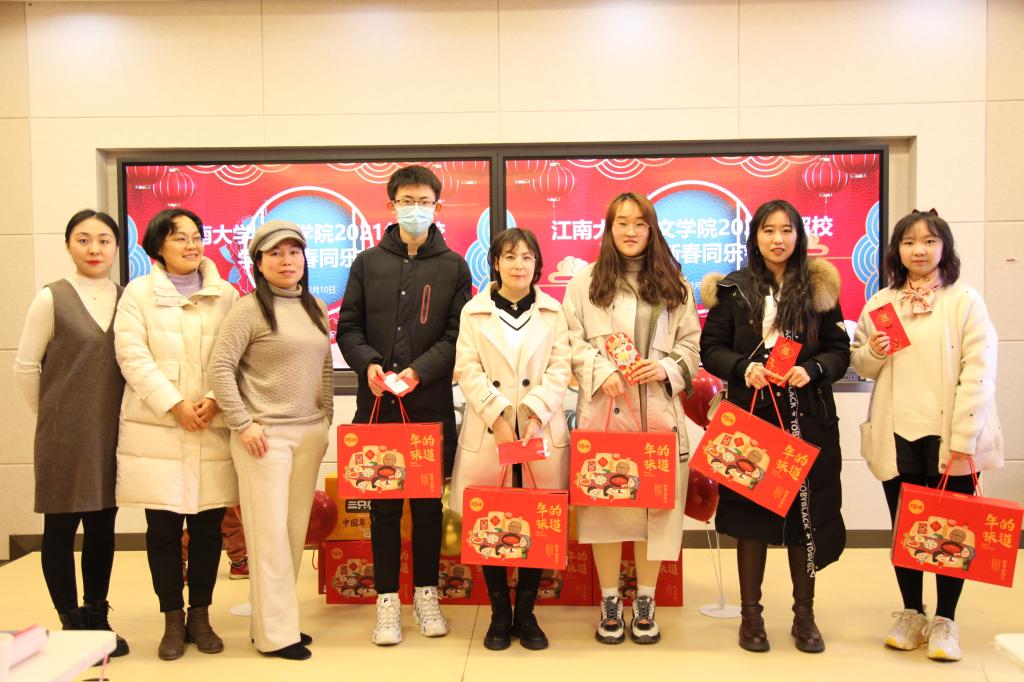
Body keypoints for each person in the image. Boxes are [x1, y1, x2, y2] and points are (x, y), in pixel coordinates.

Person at [851, 209, 1002, 662]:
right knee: (908, 528)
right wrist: (872, 352)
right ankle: (911, 613)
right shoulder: (881, 303)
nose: (919, 250)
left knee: (952, 531)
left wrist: (964, 435)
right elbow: (862, 365)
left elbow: (980, 370)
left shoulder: (965, 301)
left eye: (930, 241)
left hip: (950, 436)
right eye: (909, 242)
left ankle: (945, 619)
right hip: (897, 433)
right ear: (896, 250)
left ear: (944, 248)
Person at [700, 198, 850, 654]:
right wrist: (743, 367)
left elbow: (839, 350)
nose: (778, 239)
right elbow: (711, 348)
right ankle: (751, 617)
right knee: (752, 521)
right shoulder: (733, 289)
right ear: (755, 237)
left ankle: (804, 615)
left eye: (786, 230)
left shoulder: (818, 288)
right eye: (768, 230)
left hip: (808, 421)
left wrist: (814, 369)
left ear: (798, 236)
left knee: (807, 519)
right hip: (751, 420)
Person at [338, 165, 472, 646]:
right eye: (407, 201)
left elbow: (458, 334)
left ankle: (427, 595)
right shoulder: (367, 262)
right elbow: (348, 327)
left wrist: (418, 371)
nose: (416, 209)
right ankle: (387, 601)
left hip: (428, 405)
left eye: (424, 201)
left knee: (429, 508)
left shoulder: (454, 266)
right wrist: (369, 365)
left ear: (438, 206)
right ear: (391, 205)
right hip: (378, 407)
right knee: (383, 510)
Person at [562, 192, 700, 645]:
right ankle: (609, 601)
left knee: (654, 510)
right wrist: (600, 370)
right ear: (609, 229)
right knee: (605, 508)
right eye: (621, 222)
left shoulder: (675, 283)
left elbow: (691, 346)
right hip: (607, 413)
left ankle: (644, 599)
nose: (630, 231)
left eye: (640, 223)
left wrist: (666, 368)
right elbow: (570, 342)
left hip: (658, 415)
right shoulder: (585, 282)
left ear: (652, 229)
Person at [114, 208, 238, 660]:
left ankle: (200, 616)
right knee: (163, 531)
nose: (191, 244)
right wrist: (174, 404)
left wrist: (215, 398)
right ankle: (171, 618)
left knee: (208, 530)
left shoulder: (226, 294)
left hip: (211, 424)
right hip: (159, 428)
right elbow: (132, 357)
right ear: (157, 245)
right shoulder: (137, 294)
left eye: (196, 236)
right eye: (179, 237)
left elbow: (239, 353)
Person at [210, 220, 333, 661]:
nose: (286, 260)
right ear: (258, 263)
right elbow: (220, 368)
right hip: (263, 437)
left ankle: (276, 623)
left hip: (309, 433)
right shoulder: (247, 310)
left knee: (293, 533)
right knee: (268, 537)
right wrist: (243, 423)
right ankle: (275, 636)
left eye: (294, 252)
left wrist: (326, 417)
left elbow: (323, 367)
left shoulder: (315, 306)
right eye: (275, 253)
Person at [14, 210, 129, 656]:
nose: (94, 249)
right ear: (68, 246)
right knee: (60, 528)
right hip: (62, 434)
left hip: (113, 434)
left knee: (102, 527)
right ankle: (70, 619)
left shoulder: (128, 299)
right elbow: (26, 366)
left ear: (116, 247)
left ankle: (97, 614)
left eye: (104, 240)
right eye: (83, 240)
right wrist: (52, 416)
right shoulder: (52, 297)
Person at [450, 228, 571, 651]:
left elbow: (560, 368)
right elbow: (467, 369)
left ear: (537, 264)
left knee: (538, 519)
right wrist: (498, 416)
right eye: (509, 256)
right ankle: (500, 612)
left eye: (527, 257)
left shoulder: (554, 311)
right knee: (491, 520)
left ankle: (527, 613)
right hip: (490, 432)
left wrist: (535, 414)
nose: (519, 265)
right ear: (495, 263)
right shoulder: (474, 312)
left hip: (540, 431)